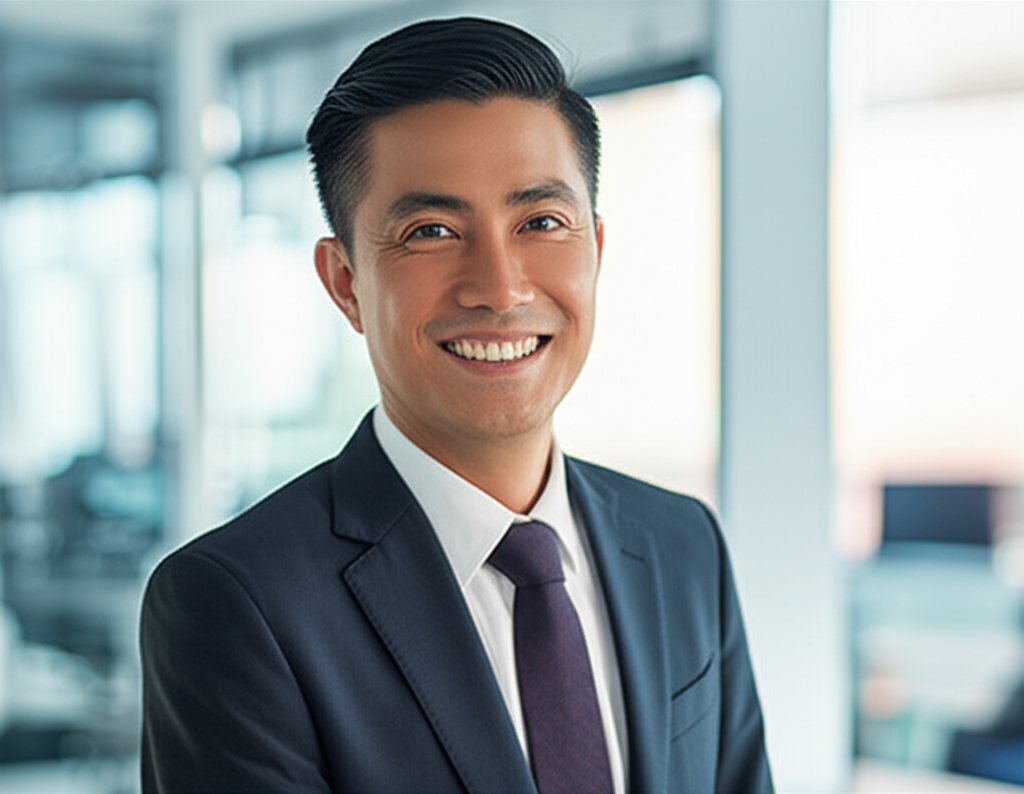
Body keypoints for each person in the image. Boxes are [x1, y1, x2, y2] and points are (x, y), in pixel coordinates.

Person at [140, 17, 772, 794]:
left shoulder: (683, 545)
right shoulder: (239, 603)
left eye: (541, 223)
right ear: (346, 284)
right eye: (432, 231)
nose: (500, 289)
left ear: (596, 249)